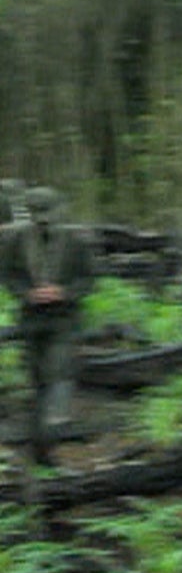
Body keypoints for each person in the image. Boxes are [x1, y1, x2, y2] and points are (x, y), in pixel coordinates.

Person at [0, 182, 97, 462]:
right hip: (31, 320)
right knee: (37, 383)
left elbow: (89, 279)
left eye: (48, 215)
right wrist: (27, 294)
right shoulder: (16, 240)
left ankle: (56, 421)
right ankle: (42, 451)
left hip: (64, 320)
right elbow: (8, 275)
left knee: (58, 372)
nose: (43, 222)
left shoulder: (76, 240)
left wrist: (63, 292)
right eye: (37, 216)